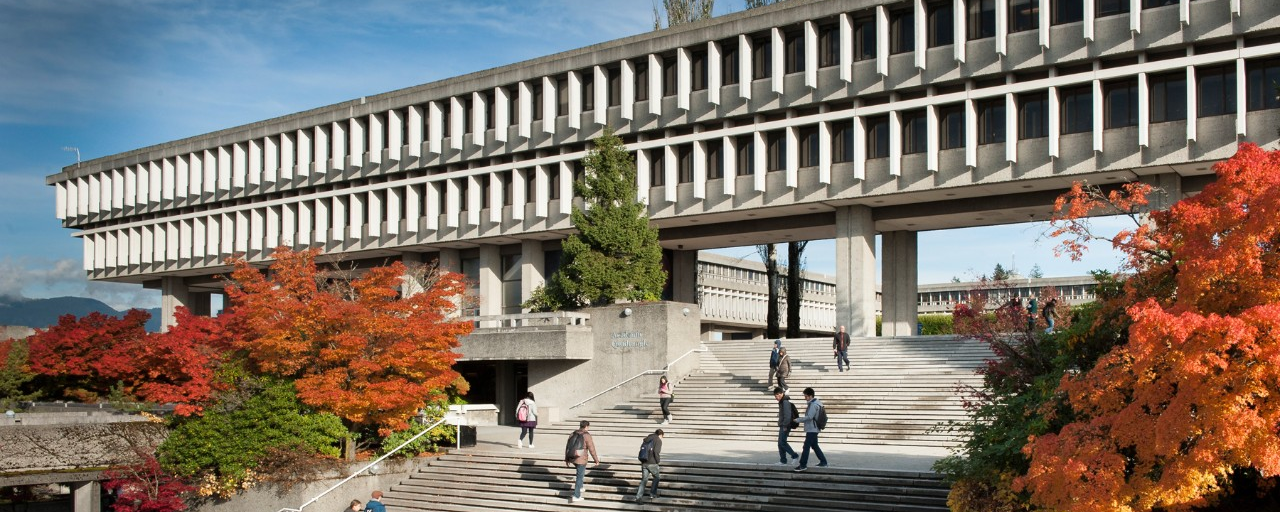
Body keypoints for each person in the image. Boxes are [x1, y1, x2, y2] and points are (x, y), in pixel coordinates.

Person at [565, 420, 599, 504]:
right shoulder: (586, 435)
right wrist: (596, 460)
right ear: (586, 426)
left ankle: (580, 487)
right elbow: (592, 448)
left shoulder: (573, 433)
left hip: (572, 457)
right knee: (579, 476)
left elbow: (568, 447)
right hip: (581, 458)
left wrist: (566, 458)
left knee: (580, 473)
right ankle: (576, 495)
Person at [794, 387, 828, 471]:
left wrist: (798, 420)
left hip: (812, 428)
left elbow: (809, 417)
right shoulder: (817, 403)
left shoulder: (813, 405)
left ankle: (803, 465)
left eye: (805, 396)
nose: (805, 398)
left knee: (806, 446)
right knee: (814, 445)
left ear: (810, 396)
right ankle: (823, 461)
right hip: (814, 428)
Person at [635, 429, 664, 500]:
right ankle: (652, 493)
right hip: (652, 463)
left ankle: (638, 497)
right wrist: (658, 461)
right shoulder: (658, 440)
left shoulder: (647, 439)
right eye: (663, 436)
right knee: (656, 477)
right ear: (660, 435)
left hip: (644, 462)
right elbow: (656, 452)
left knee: (644, 480)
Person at [773, 387, 799, 465]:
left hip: (785, 425)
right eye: (775, 396)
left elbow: (787, 415)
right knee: (780, 443)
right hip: (783, 425)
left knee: (782, 442)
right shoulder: (782, 402)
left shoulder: (785, 402)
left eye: (777, 395)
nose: (776, 397)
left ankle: (794, 456)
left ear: (781, 394)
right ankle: (783, 460)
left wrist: (785, 425)